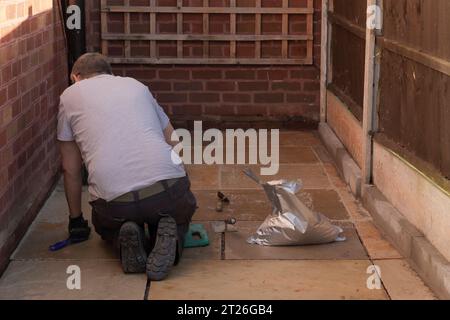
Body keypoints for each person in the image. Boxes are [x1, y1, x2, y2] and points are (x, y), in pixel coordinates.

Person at [57, 53, 197, 280]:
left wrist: (76, 221)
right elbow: (175, 143)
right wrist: (181, 190)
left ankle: (122, 236)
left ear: (76, 77)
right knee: (179, 214)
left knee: (106, 225)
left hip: (116, 202)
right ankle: (170, 233)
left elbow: (70, 170)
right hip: (165, 190)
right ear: (110, 74)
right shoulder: (136, 86)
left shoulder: (69, 96)